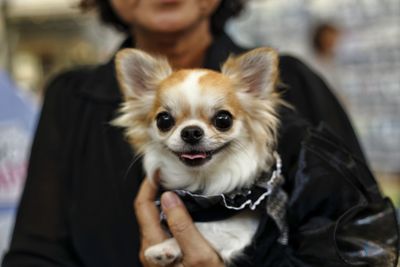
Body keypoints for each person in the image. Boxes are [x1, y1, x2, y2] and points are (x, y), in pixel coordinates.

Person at [2, 1, 398, 266]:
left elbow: (365, 244)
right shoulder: (70, 99)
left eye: (222, 120)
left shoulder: (295, 83)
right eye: (165, 120)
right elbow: (36, 255)